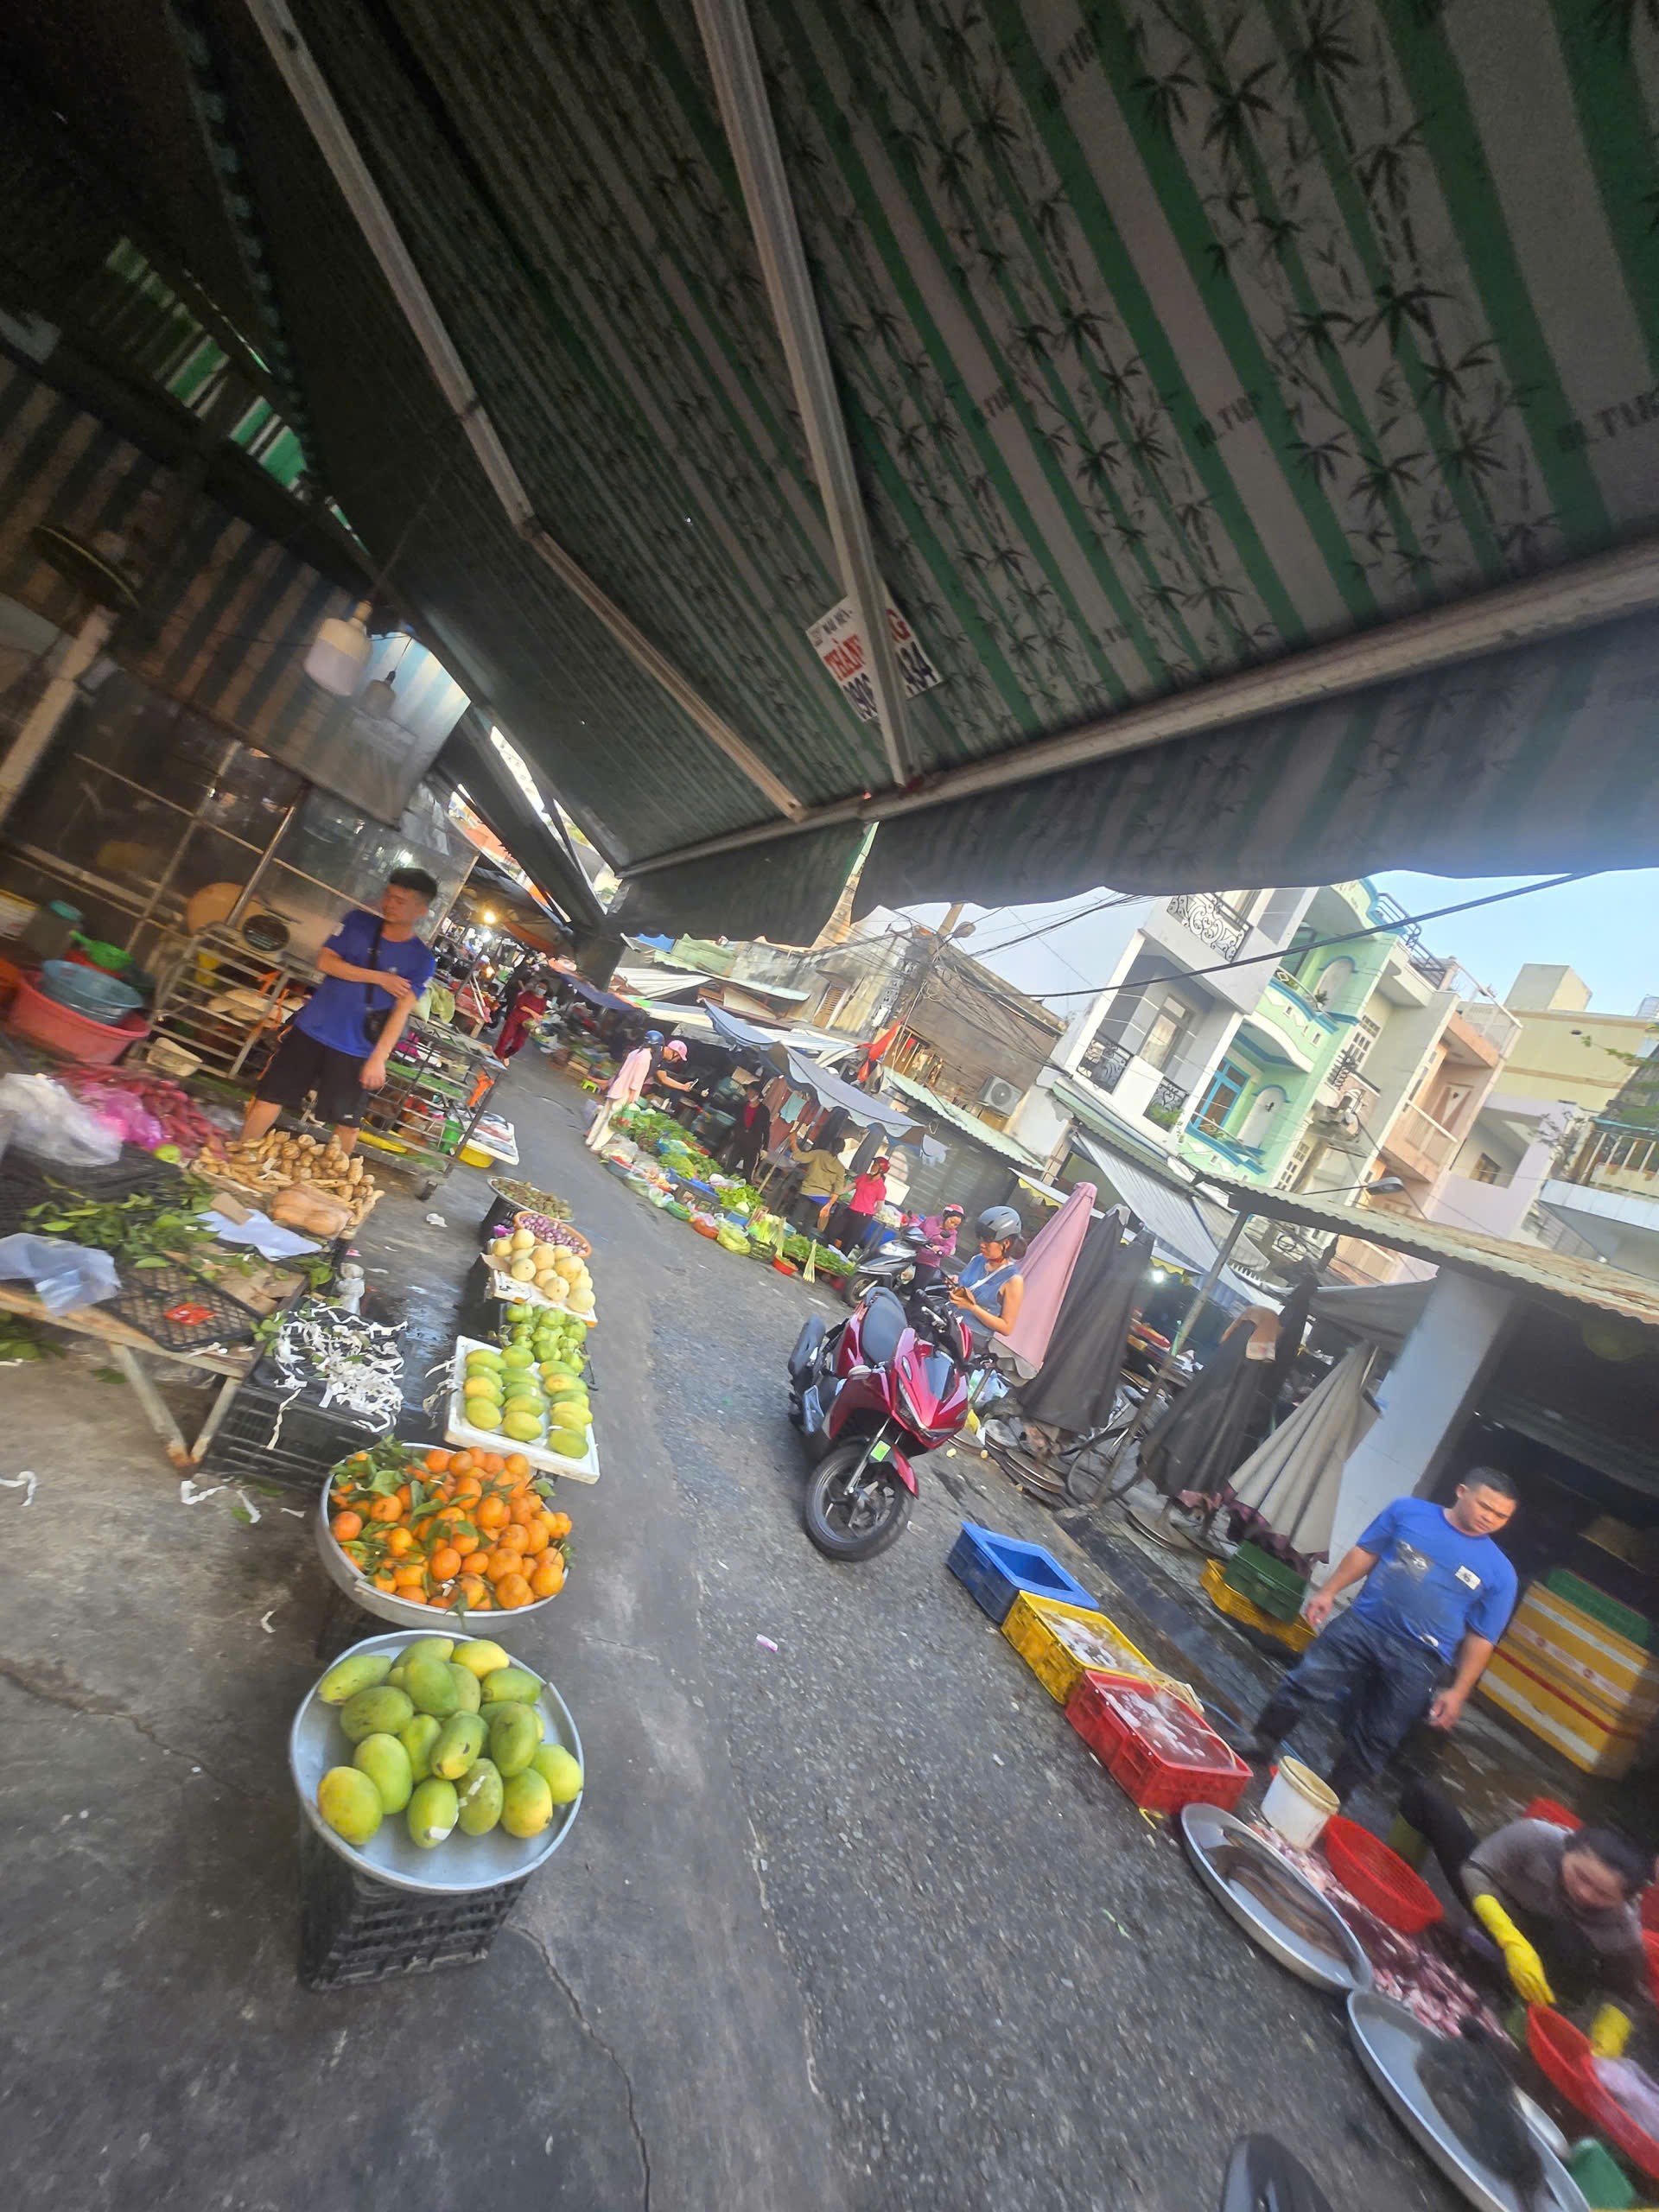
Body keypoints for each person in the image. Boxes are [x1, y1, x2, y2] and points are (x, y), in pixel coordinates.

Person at [1236, 1468, 1521, 1802]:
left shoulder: (1501, 1573)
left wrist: (1459, 1691)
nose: (1491, 1518)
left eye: (1501, 1515)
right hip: (1364, 1624)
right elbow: (1366, 1552)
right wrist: (1329, 1592)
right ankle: (1262, 1741)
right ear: (1461, 1491)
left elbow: (1482, 1638)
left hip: (1421, 1659)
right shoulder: (1407, 1511)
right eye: (1485, 1507)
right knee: (1306, 1681)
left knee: (1380, 1735)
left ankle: (1330, 1798)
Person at [1396, 1780, 1650, 2018]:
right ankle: (1392, 1887)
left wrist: (1609, 2033)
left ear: (1623, 1900)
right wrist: (1510, 1938)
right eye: (1580, 1876)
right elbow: (1473, 1870)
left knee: (1571, 1947)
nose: (1585, 1893)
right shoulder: (1536, 1836)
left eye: (1603, 1894)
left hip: (1550, 1957)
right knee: (1424, 1796)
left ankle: (1526, 2011)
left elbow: (1624, 1992)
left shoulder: (1624, 1927)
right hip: (1495, 1908)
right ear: (1568, 1849)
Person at [242, 868, 436, 1156]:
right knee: (269, 1097)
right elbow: (326, 962)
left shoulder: (421, 960)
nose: (389, 904)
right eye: (389, 895)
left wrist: (378, 1060)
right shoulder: (357, 922)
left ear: (421, 910)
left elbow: (400, 1012)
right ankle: (239, 1155)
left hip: (357, 1048)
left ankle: (335, 1189)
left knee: (348, 1123)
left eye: (400, 900)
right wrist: (380, 978)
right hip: (312, 1029)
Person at [950, 1206, 1027, 1347]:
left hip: (970, 1341)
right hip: (949, 1323)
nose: (982, 1245)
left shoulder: (1013, 1280)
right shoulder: (978, 1259)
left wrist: (973, 1308)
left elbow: (1006, 1327)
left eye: (987, 1241)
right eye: (980, 1239)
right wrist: (955, 1282)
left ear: (1006, 1243)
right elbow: (964, 1287)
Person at [584, 1030, 655, 1153]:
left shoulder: (635, 1052)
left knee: (603, 1115)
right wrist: (632, 1098)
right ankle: (597, 1146)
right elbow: (637, 1080)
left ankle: (590, 1140)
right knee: (612, 1121)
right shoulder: (646, 1057)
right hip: (625, 1092)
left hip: (617, 1087)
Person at [788, 1122, 849, 1234]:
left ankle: (785, 1237)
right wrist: (829, 1205)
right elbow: (837, 1191)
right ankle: (799, 1242)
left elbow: (799, 1157)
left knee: (795, 1219)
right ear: (841, 1151)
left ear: (831, 1145)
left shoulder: (818, 1154)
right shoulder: (840, 1168)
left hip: (808, 1192)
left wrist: (793, 1141)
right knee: (808, 1225)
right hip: (823, 1198)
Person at [831, 1154, 891, 1254]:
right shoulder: (864, 1177)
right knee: (833, 1230)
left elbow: (880, 1207)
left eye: (875, 1165)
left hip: (863, 1216)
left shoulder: (881, 1187)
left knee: (849, 1241)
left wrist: (869, 1212)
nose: (872, 1166)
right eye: (873, 1164)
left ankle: (840, 1258)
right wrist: (837, 1192)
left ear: (881, 1170)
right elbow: (850, 1187)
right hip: (851, 1210)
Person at [912, 1202, 965, 1288]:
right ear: (945, 1216)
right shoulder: (930, 1220)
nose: (953, 1226)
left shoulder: (952, 1234)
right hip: (913, 1255)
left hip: (928, 1263)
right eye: (951, 1222)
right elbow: (917, 1230)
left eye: (956, 1225)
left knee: (917, 1290)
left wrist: (938, 1248)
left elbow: (948, 1249)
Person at [496, 973, 549, 1058]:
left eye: (543, 988)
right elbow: (520, 1005)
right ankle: (497, 1055)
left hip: (526, 1025)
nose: (541, 989)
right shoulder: (528, 994)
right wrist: (533, 1012)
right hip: (515, 1019)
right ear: (536, 986)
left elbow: (541, 1015)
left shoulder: (543, 1001)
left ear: (546, 991)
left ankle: (506, 1055)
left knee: (518, 1044)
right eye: (540, 987)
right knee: (505, 1038)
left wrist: (537, 1024)